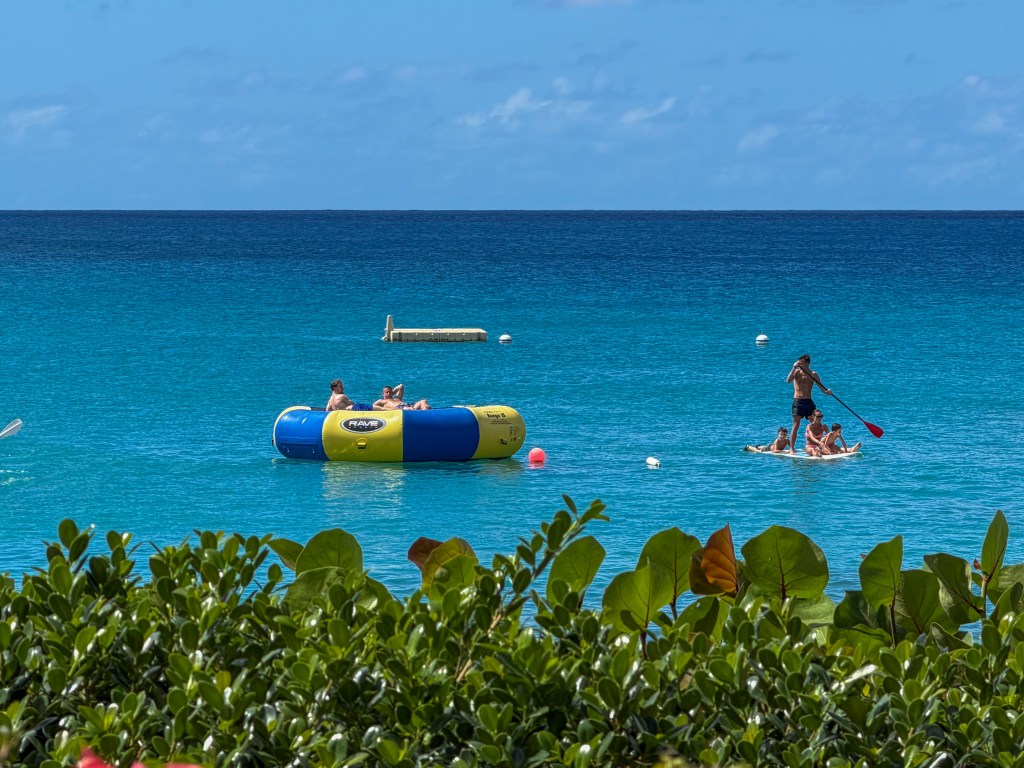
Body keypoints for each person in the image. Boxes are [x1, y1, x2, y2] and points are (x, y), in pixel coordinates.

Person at [786, 354, 832, 452]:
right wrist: (794, 368)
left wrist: (827, 392)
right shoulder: (796, 372)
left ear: (807, 363)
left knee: (816, 423)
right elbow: (788, 380)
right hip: (798, 401)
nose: (799, 364)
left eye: (801, 363)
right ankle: (792, 449)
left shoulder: (813, 374)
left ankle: (819, 446)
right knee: (796, 425)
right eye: (799, 363)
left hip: (808, 401)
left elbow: (822, 388)